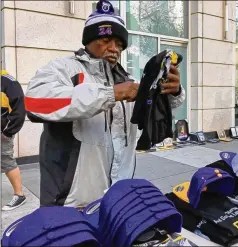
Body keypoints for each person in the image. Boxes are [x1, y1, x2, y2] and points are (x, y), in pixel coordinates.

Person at [24, 0, 185, 208]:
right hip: (71, 204)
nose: (114, 48)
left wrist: (172, 92)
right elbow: (35, 101)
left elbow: (153, 110)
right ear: (89, 40)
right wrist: (109, 93)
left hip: (117, 200)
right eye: (106, 40)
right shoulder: (64, 68)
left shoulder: (127, 78)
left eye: (119, 44)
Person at [1, 70, 27, 211]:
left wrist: (8, 131)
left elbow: (19, 108)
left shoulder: (6, 81)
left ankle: (20, 194)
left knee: (6, 161)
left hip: (2, 133)